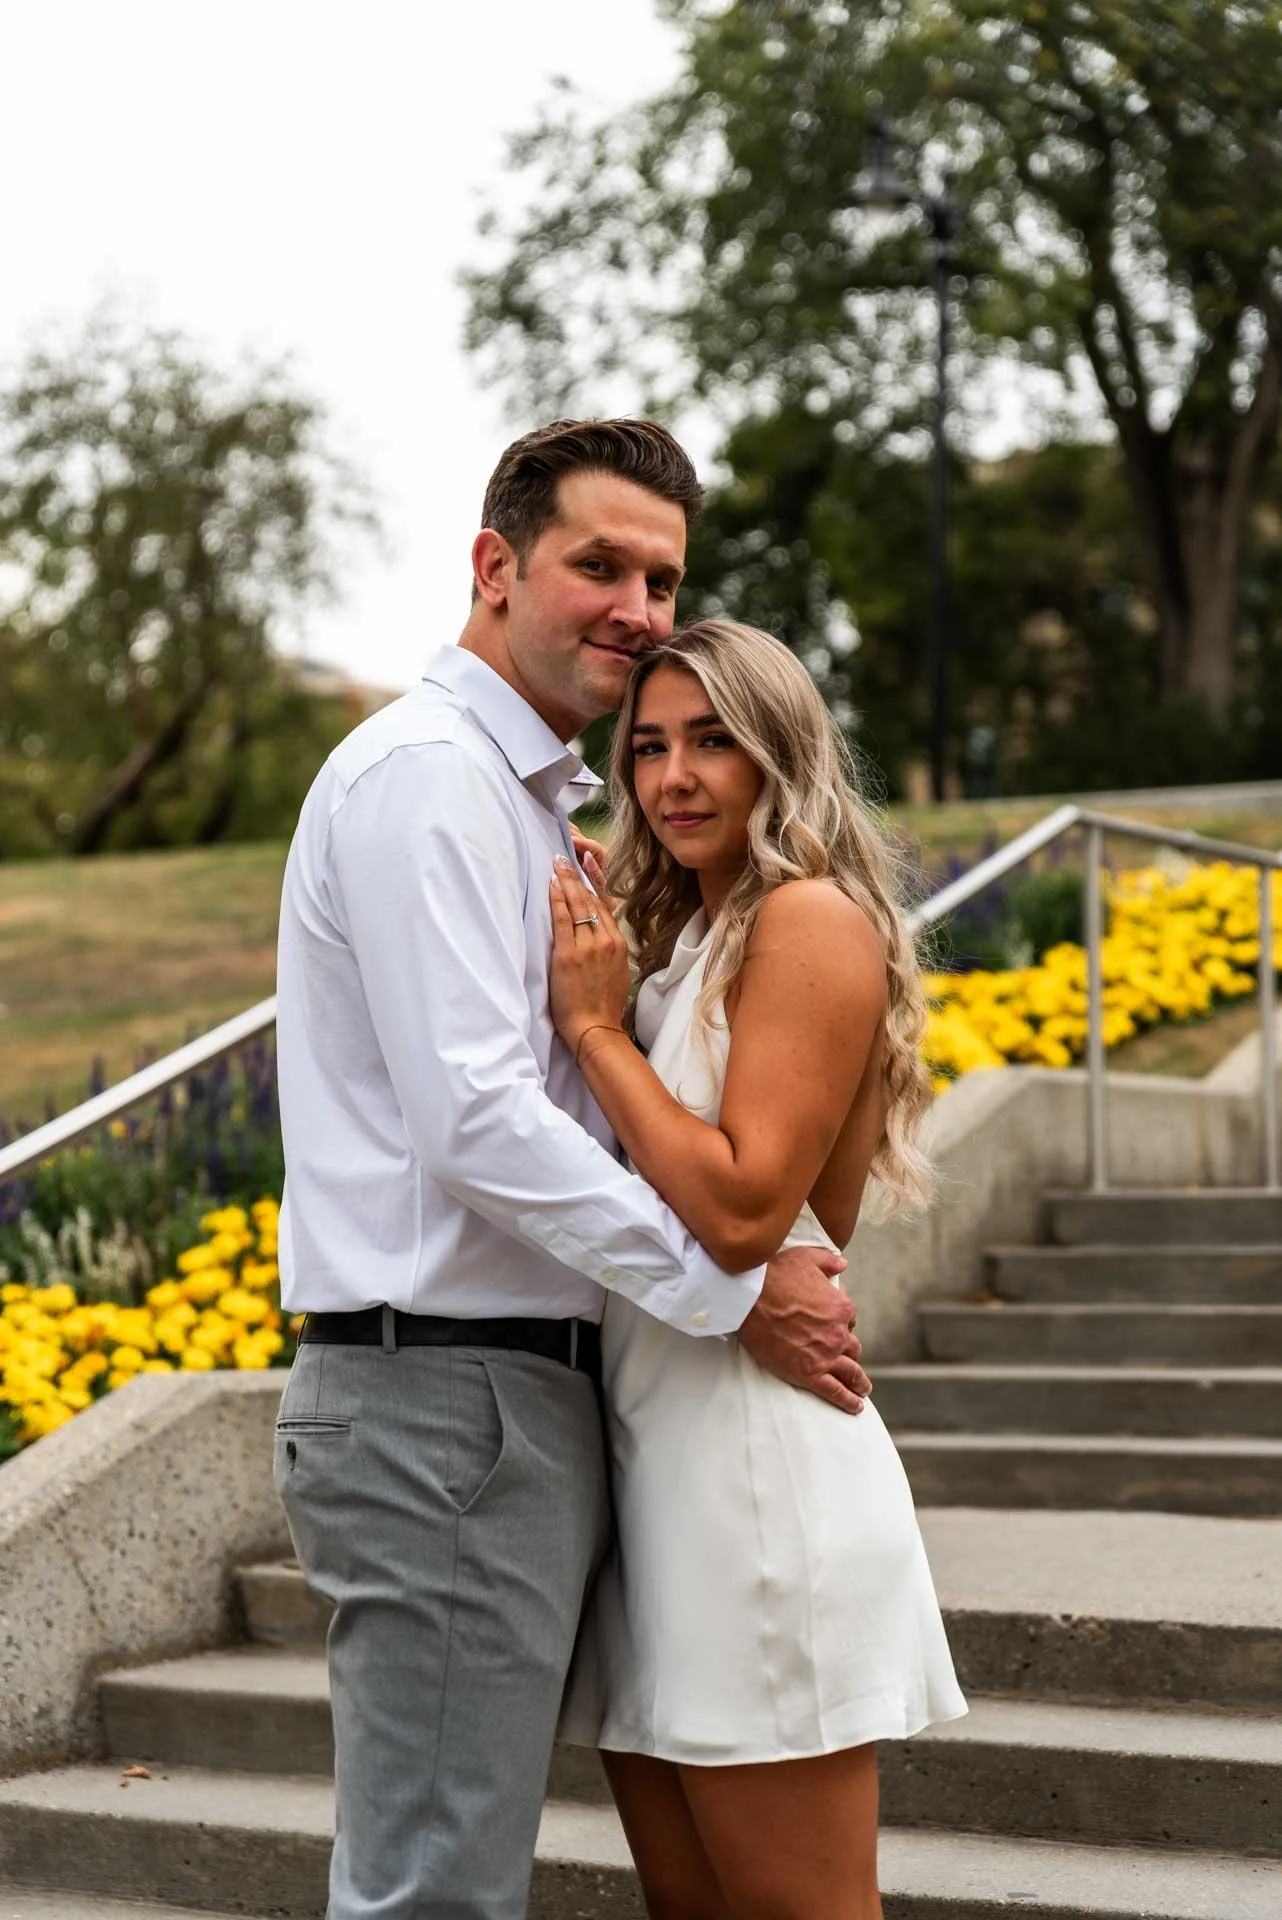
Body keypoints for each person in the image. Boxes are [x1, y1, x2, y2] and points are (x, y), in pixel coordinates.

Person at [272, 419, 872, 1920]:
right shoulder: (427, 780)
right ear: (494, 567)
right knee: (434, 1892)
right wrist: (726, 1296)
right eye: (599, 563)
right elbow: (477, 1120)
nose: (638, 607)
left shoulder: (541, 809)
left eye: (662, 577)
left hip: (542, 1399)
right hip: (445, 1397)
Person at [552, 619, 967, 1920]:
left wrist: (589, 1031)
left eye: (714, 742)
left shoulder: (807, 919)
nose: (674, 776)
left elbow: (741, 1212)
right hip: (653, 1475)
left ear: (780, 752)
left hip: (755, 1486)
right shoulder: (685, 947)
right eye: (651, 746)